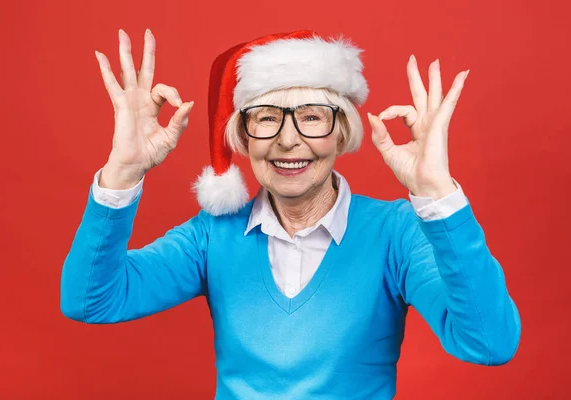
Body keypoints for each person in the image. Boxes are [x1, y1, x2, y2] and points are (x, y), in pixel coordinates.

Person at [60, 28, 521, 399]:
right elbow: (90, 301)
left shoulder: (396, 233)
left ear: (342, 132)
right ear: (242, 136)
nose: (287, 139)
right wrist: (121, 171)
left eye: (312, 116)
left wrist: (437, 195)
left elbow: (488, 343)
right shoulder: (213, 236)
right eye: (265, 117)